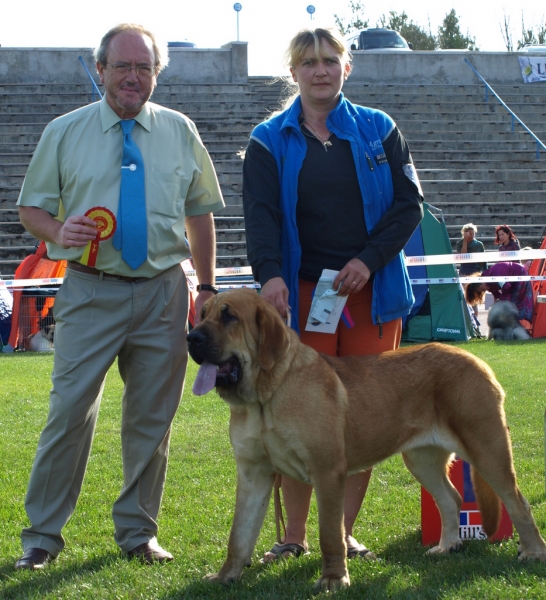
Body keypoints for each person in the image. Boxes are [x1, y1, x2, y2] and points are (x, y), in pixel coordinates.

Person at [14, 23, 224, 570]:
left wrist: (205, 287)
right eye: (123, 66)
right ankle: (41, 536)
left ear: (157, 74)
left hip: (164, 294)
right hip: (89, 290)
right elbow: (30, 210)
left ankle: (138, 532)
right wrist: (59, 233)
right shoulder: (63, 131)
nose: (134, 76)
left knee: (152, 421)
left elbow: (199, 213)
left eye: (145, 67)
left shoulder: (181, 130)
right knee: (68, 413)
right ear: (100, 69)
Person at [242, 27, 423, 562]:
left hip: (370, 292)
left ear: (348, 67)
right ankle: (295, 536)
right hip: (297, 300)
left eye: (330, 60)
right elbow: (261, 217)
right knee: (301, 417)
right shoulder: (267, 139)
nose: (320, 70)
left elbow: (409, 206)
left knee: (366, 414)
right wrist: (270, 273)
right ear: (293, 71)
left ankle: (339, 535)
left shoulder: (379, 129)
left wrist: (367, 262)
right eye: (308, 62)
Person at [465, 262, 533, 322]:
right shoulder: (489, 282)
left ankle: (513, 324)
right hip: (515, 278)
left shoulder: (494, 275)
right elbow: (496, 294)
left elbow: (507, 287)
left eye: (483, 289)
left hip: (520, 275)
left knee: (512, 305)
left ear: (480, 282)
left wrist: (502, 302)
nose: (485, 290)